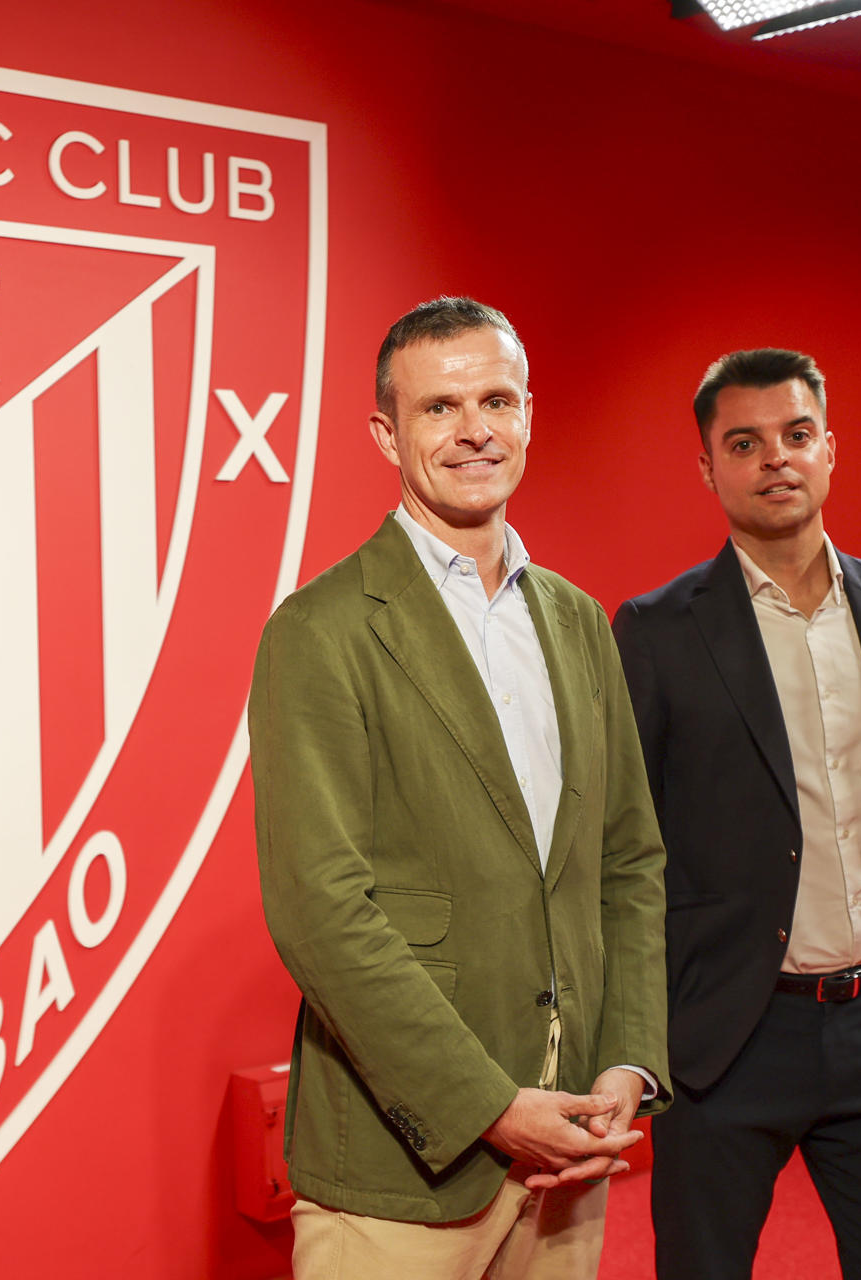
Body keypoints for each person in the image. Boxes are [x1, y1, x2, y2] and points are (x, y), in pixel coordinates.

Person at [248, 297, 670, 1279]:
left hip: (570, 1144)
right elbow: (321, 908)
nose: (476, 429)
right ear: (385, 434)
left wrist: (627, 1062)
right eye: (440, 408)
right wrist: (489, 1105)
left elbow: (628, 859)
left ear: (530, 414)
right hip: (404, 1169)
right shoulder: (322, 629)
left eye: (497, 399)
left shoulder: (578, 621)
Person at [611, 349, 861, 1280]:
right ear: (708, 467)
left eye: (797, 434)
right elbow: (628, 847)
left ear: (828, 451)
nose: (776, 457)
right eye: (745, 442)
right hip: (731, 1040)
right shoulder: (654, 632)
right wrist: (657, 1033)